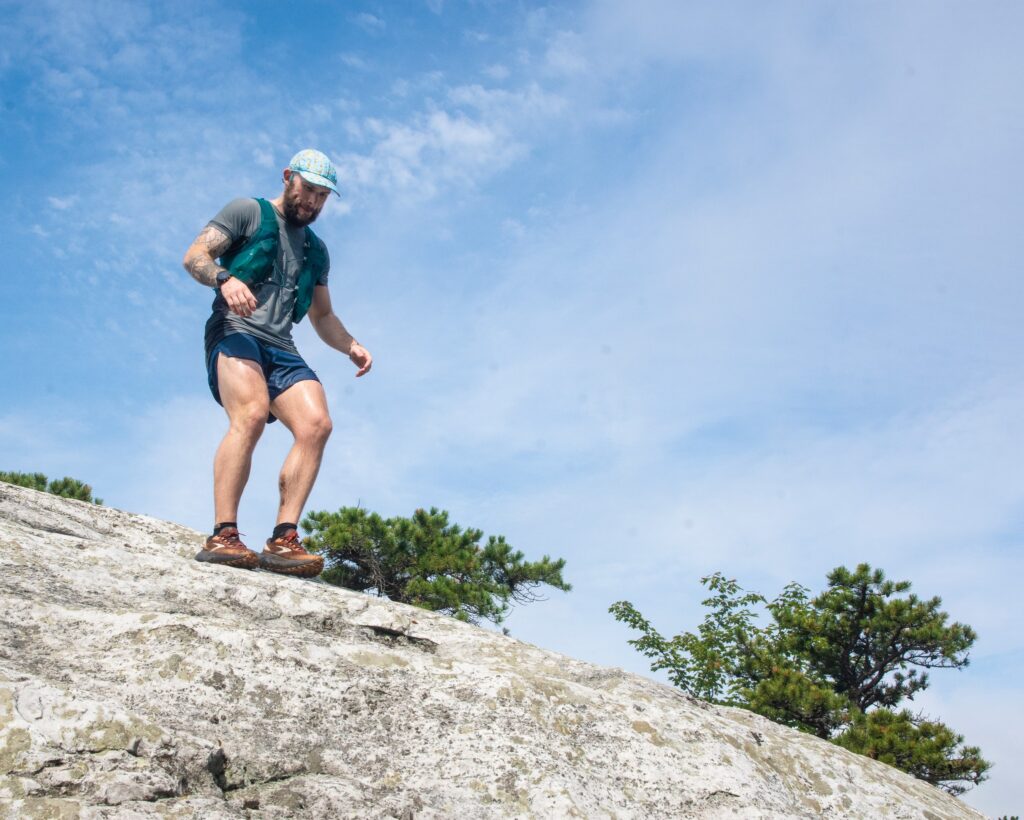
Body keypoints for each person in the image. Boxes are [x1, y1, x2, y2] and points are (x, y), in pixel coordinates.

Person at [182, 149, 372, 577]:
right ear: (288, 178)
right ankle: (223, 534)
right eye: (308, 190)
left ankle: (284, 539)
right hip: (235, 330)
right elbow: (195, 256)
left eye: (322, 196)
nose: (312, 202)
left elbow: (322, 317)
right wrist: (224, 279)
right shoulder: (247, 212)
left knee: (317, 425)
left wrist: (351, 345)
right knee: (249, 414)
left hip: (281, 345)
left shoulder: (317, 251)